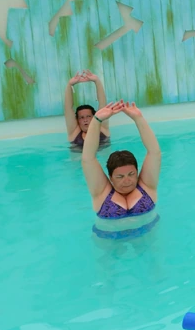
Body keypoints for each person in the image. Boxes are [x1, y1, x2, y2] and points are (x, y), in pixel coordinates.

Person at [82, 100, 161, 239]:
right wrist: (96, 120)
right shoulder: (101, 192)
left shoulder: (147, 185)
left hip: (147, 235)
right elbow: (88, 158)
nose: (127, 180)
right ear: (110, 177)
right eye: (120, 177)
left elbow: (154, 152)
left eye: (131, 174)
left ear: (137, 172)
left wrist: (138, 118)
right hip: (108, 238)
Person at [65, 70, 110, 148]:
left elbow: (103, 103)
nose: (85, 120)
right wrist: (69, 85)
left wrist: (97, 81)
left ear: (94, 117)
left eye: (88, 116)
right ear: (77, 120)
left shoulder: (102, 128)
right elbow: (68, 108)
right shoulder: (74, 132)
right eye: (81, 117)